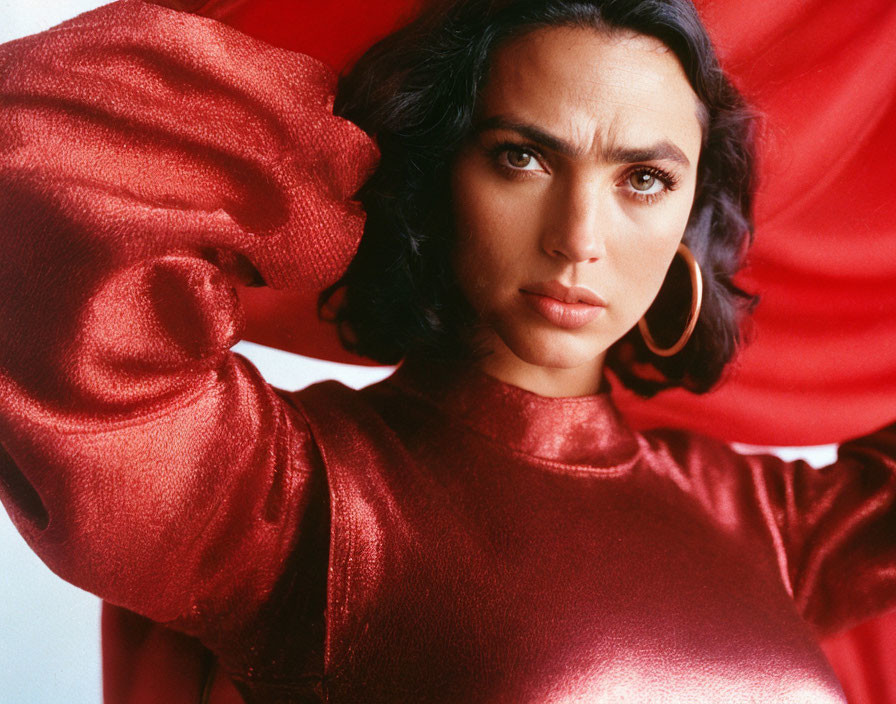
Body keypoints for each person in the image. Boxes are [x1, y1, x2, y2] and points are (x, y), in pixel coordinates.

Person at [0, 0, 893, 702]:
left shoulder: (766, 524)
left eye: (644, 179)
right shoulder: (295, 500)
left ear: (691, 217)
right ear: (437, 171)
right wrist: (319, 161)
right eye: (522, 159)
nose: (580, 237)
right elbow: (40, 175)